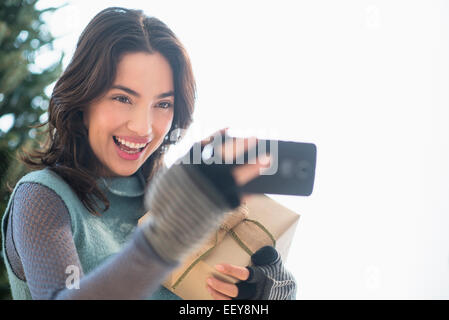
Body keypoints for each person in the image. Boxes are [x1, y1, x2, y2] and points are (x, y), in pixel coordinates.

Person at [1, 7, 296, 300]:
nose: (143, 127)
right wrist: (166, 238)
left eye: (163, 104)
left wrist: (272, 297)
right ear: (84, 98)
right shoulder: (43, 198)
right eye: (122, 98)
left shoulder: (179, 199)